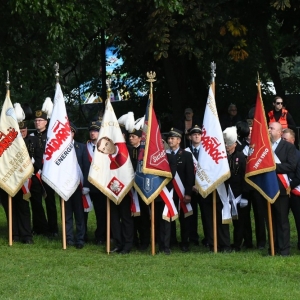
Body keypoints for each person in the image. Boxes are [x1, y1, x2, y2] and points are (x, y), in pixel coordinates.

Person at [0, 119, 42, 244]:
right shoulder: (5, 143)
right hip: (6, 179)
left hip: (24, 181)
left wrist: (32, 163)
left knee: (23, 208)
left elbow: (39, 160)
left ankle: (26, 235)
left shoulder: (32, 141)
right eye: (19, 131)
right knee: (9, 208)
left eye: (23, 130)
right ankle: (14, 234)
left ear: (26, 130)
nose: (22, 133)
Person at [268, 122, 296, 256]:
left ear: (280, 132)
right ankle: (273, 247)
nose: (269, 130)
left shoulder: (288, 147)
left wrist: (273, 167)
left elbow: (291, 166)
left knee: (282, 220)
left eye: (272, 128)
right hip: (268, 187)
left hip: (281, 188)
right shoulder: (266, 146)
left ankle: (284, 249)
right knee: (270, 220)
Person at [31, 107, 58, 237]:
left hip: (49, 172)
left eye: (40, 120)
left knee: (50, 202)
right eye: (36, 120)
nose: (37, 123)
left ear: (46, 122)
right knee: (36, 202)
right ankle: (39, 227)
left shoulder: (51, 135)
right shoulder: (32, 137)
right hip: (35, 173)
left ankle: (53, 229)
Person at [166, 128, 194, 252]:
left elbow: (190, 176)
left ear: (178, 140)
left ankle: (184, 241)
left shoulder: (187, 155)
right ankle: (171, 240)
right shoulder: (164, 155)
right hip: (169, 191)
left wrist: (188, 193)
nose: (170, 140)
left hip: (182, 191)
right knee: (169, 216)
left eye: (172, 138)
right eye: (169, 138)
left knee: (185, 218)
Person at [65, 122, 89, 249]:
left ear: (74, 133)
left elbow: (86, 167)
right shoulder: (60, 149)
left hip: (78, 187)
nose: (68, 134)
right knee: (67, 214)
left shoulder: (81, 147)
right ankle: (68, 238)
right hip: (64, 186)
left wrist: (85, 185)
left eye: (70, 132)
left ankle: (80, 239)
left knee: (80, 215)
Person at [186, 125, 210, 247]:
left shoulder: (207, 152)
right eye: (194, 134)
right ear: (190, 137)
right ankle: (193, 238)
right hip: (191, 189)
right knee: (191, 214)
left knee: (206, 214)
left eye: (199, 134)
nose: (196, 136)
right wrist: (191, 186)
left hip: (204, 187)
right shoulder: (185, 152)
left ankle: (208, 238)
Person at [127, 127, 150, 251]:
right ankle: (133, 240)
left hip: (142, 187)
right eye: (129, 136)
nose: (130, 138)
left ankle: (145, 241)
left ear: (140, 138)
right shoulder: (127, 151)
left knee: (144, 216)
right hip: (130, 188)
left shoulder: (145, 151)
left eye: (133, 136)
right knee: (131, 215)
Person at [86, 121, 107, 245]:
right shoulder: (85, 147)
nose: (93, 133)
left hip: (100, 185)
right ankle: (83, 235)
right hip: (87, 185)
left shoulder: (105, 148)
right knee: (84, 211)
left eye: (96, 131)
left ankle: (101, 235)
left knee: (101, 212)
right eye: (91, 130)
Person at [282, 128, 300, 250]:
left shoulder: (298, 154)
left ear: (292, 140)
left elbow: (299, 176)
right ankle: (283, 244)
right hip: (282, 192)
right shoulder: (280, 154)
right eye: (282, 139)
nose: (283, 142)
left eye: (285, 140)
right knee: (282, 220)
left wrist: (289, 186)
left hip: (294, 192)